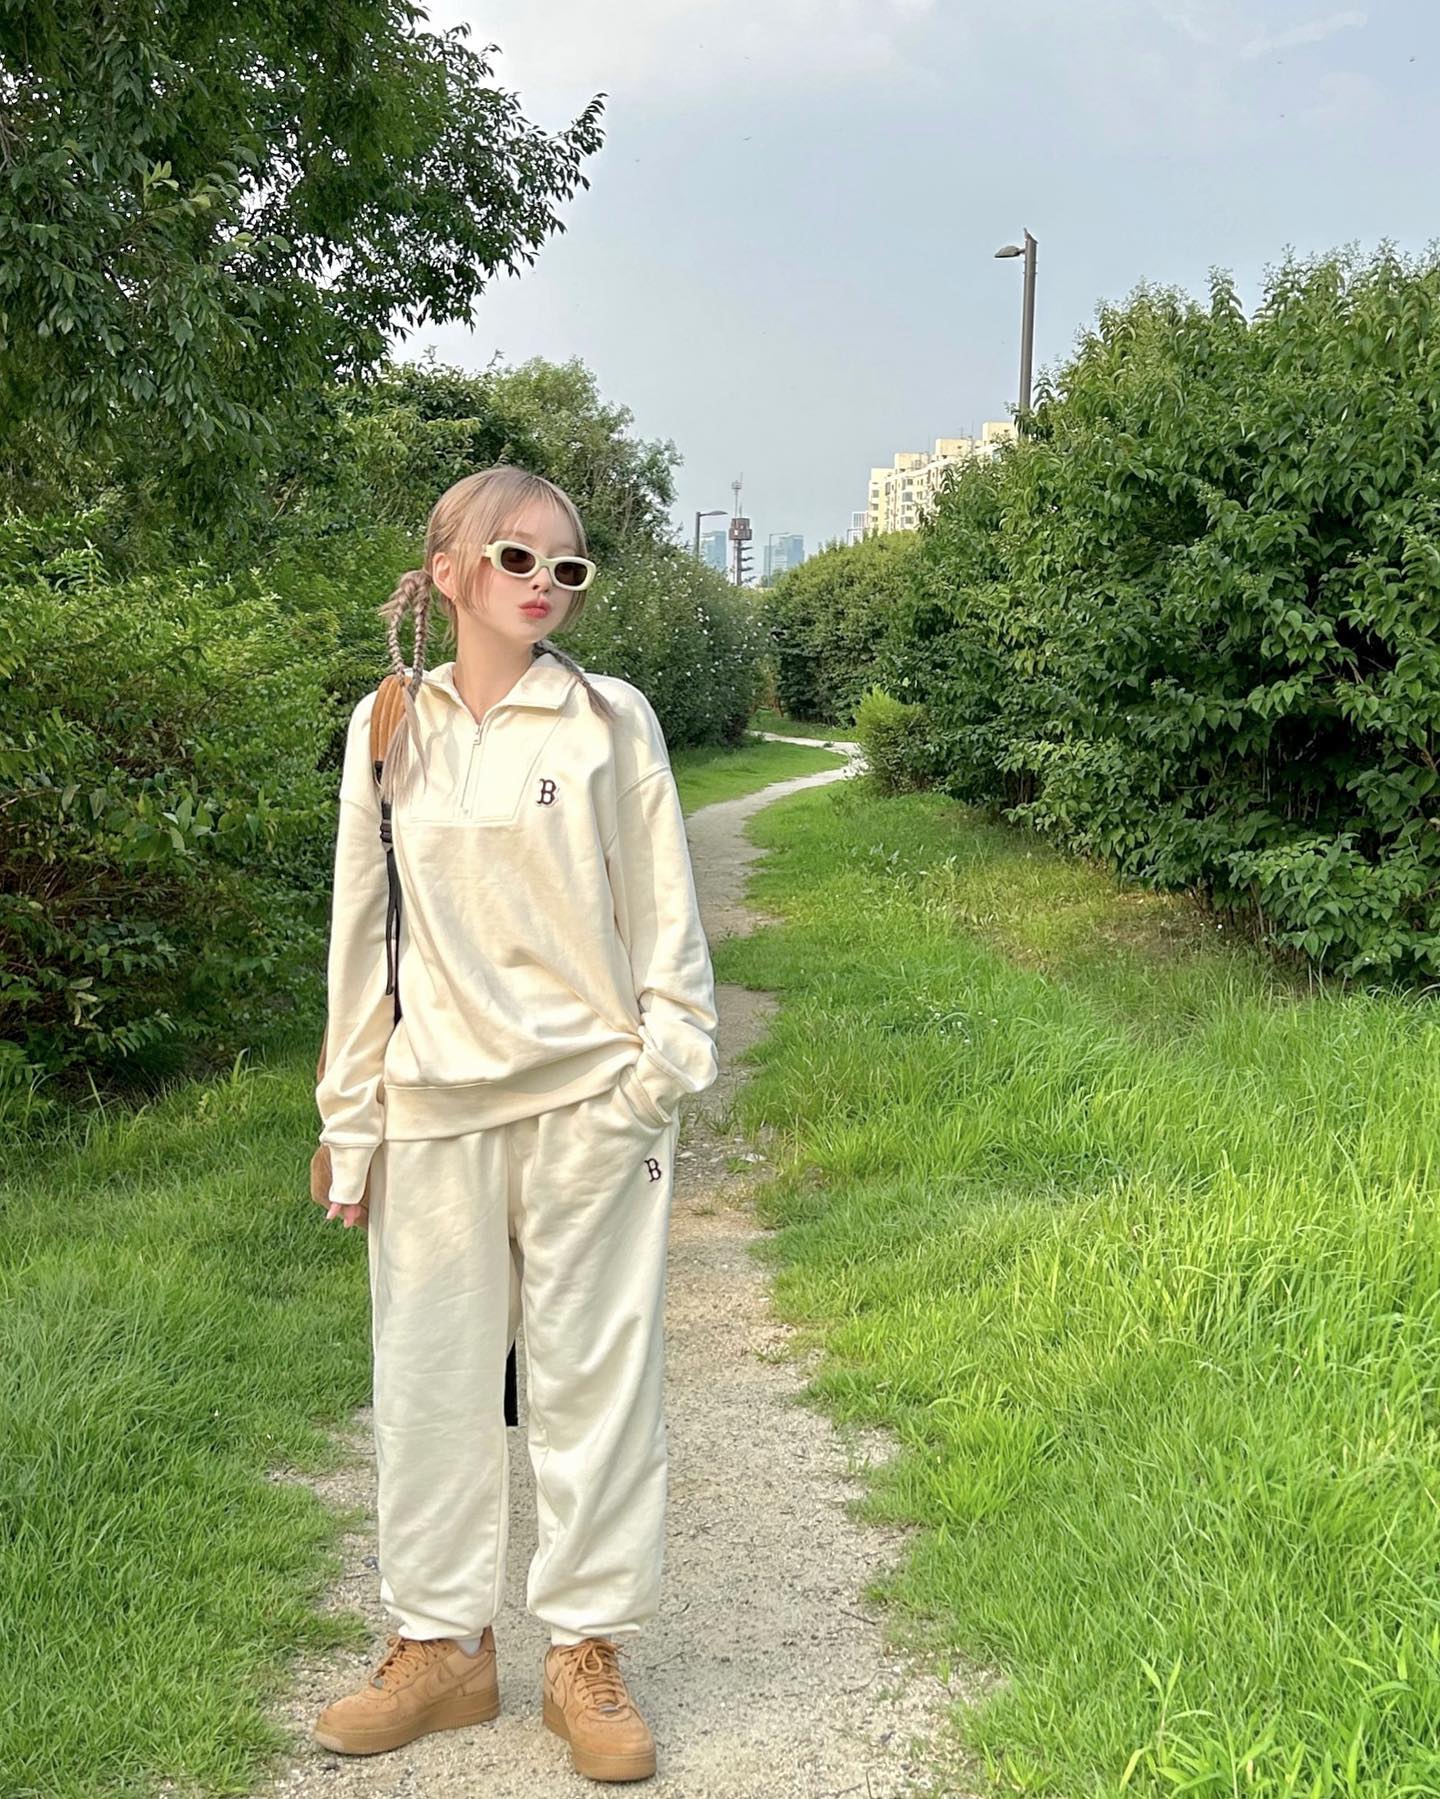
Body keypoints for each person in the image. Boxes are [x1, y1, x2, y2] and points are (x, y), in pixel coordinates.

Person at [309, 466, 720, 1784]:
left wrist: (657, 1078)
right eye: (515, 558)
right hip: (432, 1110)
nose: (545, 583)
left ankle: (584, 1652)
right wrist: (351, 1119)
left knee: (594, 1385)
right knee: (427, 1385)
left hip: (590, 1107)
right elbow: (364, 937)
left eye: (567, 566)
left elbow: (664, 912)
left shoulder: (608, 718)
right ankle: (442, 1647)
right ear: (447, 573)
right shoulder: (390, 723)